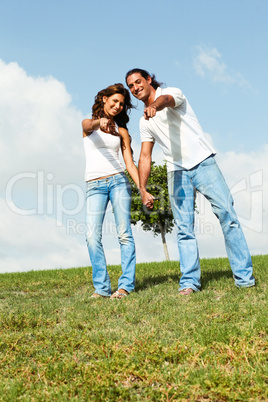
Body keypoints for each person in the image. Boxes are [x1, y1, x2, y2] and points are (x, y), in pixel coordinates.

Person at [125, 68, 255, 295]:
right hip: (176, 172)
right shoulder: (145, 122)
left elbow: (166, 100)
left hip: (203, 163)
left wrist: (155, 106)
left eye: (138, 82)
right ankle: (189, 283)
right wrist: (143, 189)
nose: (135, 88)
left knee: (228, 216)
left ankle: (244, 279)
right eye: (131, 86)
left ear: (148, 80)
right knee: (184, 229)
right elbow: (145, 156)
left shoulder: (172, 93)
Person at [82, 83, 139, 299]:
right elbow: (87, 125)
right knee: (91, 236)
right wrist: (99, 122)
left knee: (124, 234)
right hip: (94, 185)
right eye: (114, 101)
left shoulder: (122, 131)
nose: (117, 106)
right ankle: (102, 288)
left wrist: (143, 190)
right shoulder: (88, 125)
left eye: (121, 104)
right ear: (104, 99)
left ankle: (125, 286)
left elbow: (130, 164)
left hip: (118, 182)